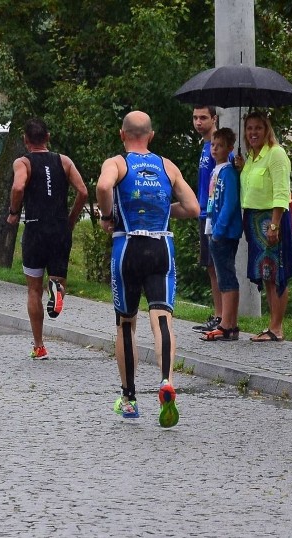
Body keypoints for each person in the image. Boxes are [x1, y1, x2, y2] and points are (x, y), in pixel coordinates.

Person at [96, 111, 199, 427]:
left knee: (126, 324)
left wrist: (107, 215)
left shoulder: (117, 163)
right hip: (161, 247)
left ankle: (128, 399)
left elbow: (102, 187)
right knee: (162, 319)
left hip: (127, 246)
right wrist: (164, 209)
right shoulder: (167, 166)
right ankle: (166, 381)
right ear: (150, 136)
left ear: (122, 134)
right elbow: (193, 208)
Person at [5, 118, 88, 359]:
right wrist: (71, 219)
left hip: (35, 229)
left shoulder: (23, 162)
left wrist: (13, 213)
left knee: (33, 290)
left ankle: (39, 345)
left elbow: (19, 188)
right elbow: (83, 191)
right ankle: (57, 290)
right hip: (60, 228)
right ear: (48, 137)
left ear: (25, 140)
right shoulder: (64, 161)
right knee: (58, 279)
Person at [234, 111, 292, 343]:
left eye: (258, 128)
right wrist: (241, 169)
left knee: (276, 272)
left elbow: (281, 191)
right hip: (254, 220)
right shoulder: (252, 157)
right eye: (249, 128)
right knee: (267, 274)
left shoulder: (276, 154)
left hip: (271, 220)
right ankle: (272, 326)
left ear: (267, 129)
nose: (253, 133)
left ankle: (277, 327)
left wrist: (275, 225)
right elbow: (252, 187)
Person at [200, 128, 243, 342]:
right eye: (213, 146)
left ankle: (227, 325)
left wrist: (218, 230)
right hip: (213, 228)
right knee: (222, 275)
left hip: (223, 233)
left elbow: (230, 203)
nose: (215, 149)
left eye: (220, 146)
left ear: (230, 149)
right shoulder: (217, 170)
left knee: (226, 277)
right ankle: (229, 324)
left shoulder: (228, 172)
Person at [190, 106, 223, 333]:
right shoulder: (205, 146)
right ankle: (218, 314)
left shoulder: (219, 147)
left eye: (203, 118)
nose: (198, 122)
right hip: (203, 212)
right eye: (195, 118)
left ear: (214, 119)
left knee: (218, 266)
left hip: (214, 213)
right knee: (210, 266)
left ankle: (223, 317)